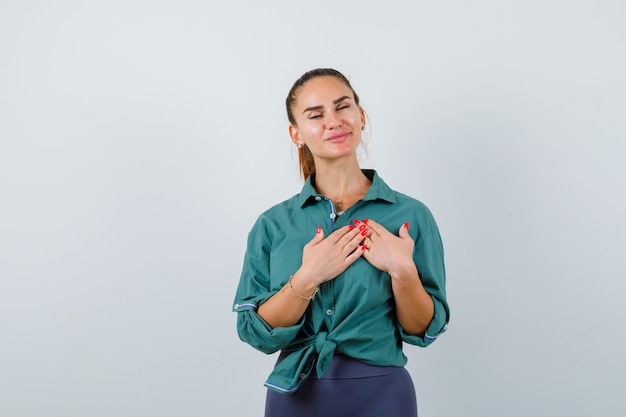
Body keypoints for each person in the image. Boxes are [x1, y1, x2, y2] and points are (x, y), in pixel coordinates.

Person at [232, 68, 449, 417]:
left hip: (383, 395)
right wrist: (307, 278)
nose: (333, 121)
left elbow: (423, 330)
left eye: (342, 107)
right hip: (294, 396)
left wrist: (403, 270)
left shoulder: (411, 216)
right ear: (296, 133)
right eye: (316, 115)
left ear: (360, 116)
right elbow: (255, 333)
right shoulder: (272, 225)